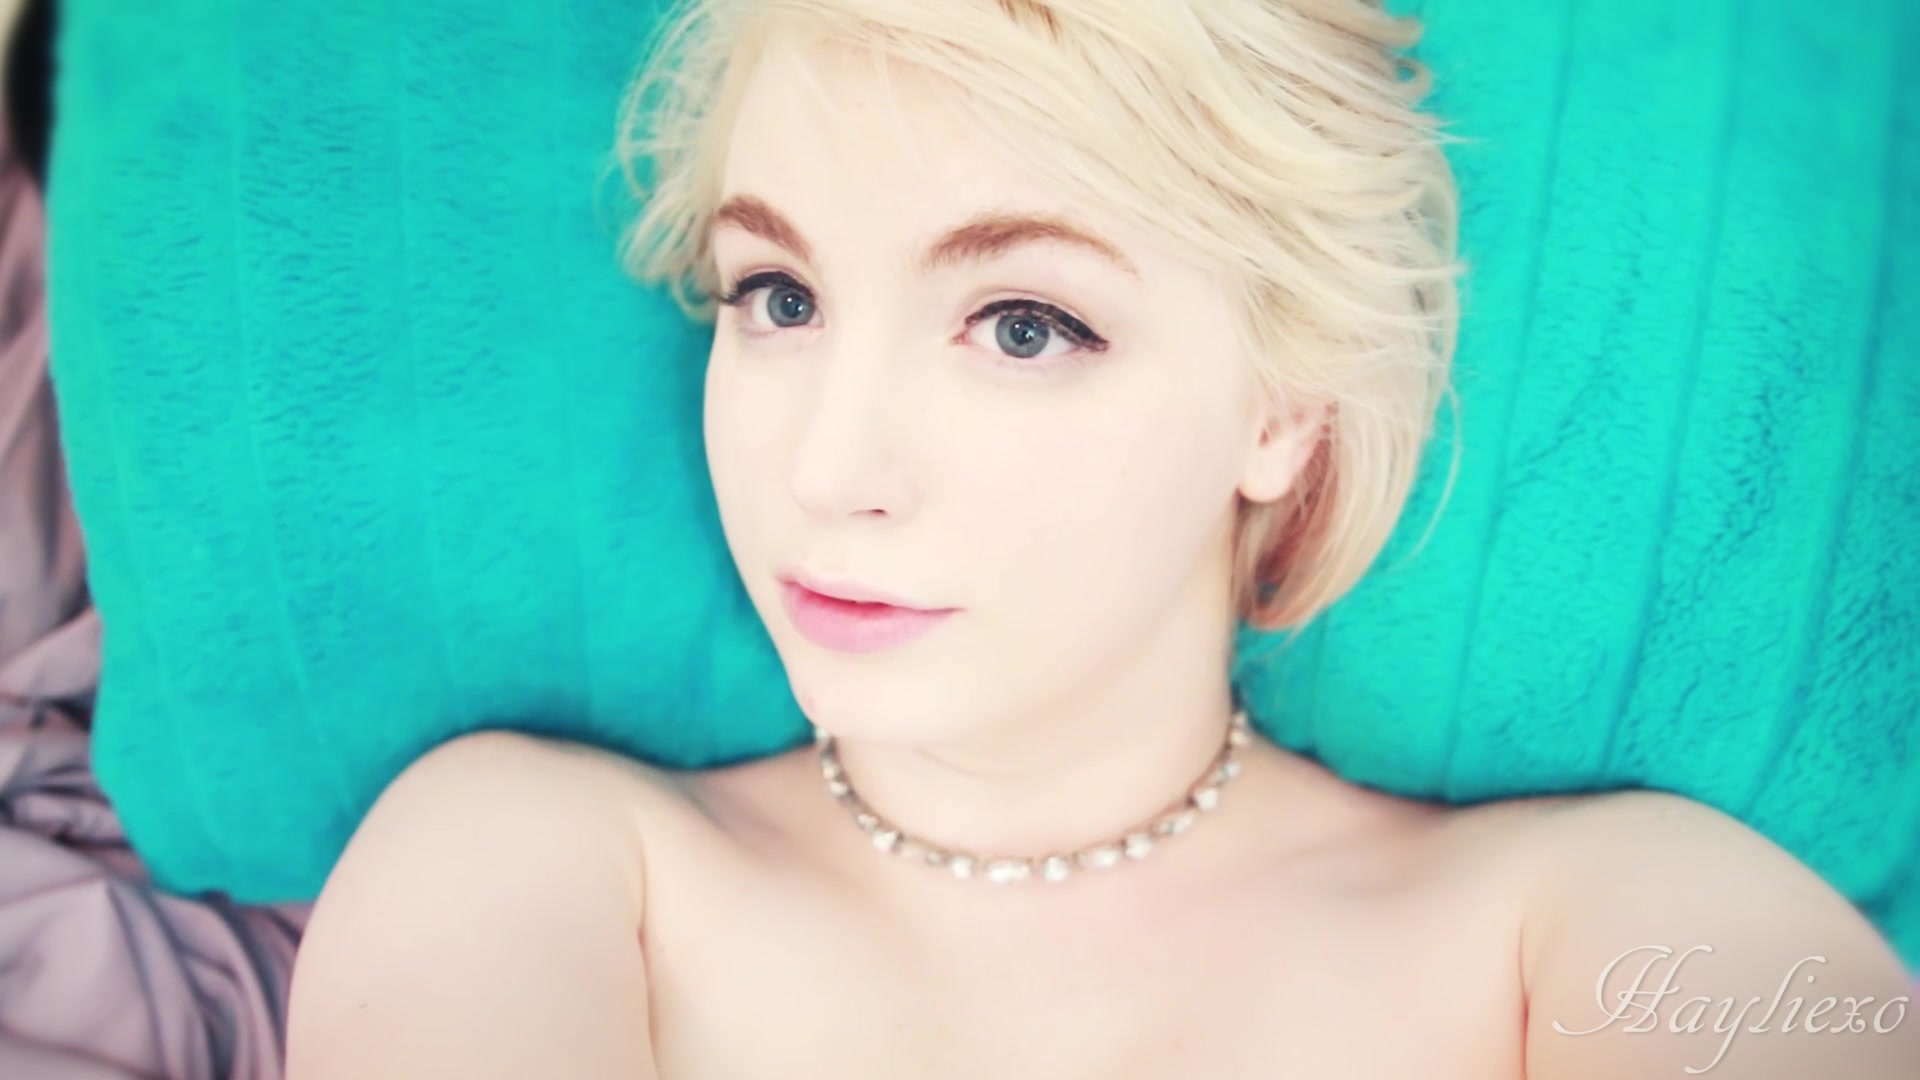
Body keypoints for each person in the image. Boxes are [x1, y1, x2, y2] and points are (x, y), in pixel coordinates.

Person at [284, 2, 1916, 1077]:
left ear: (1284, 407)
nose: (830, 469)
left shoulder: (1617, 926)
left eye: (1023, 325)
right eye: (777, 296)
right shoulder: (530, 868)